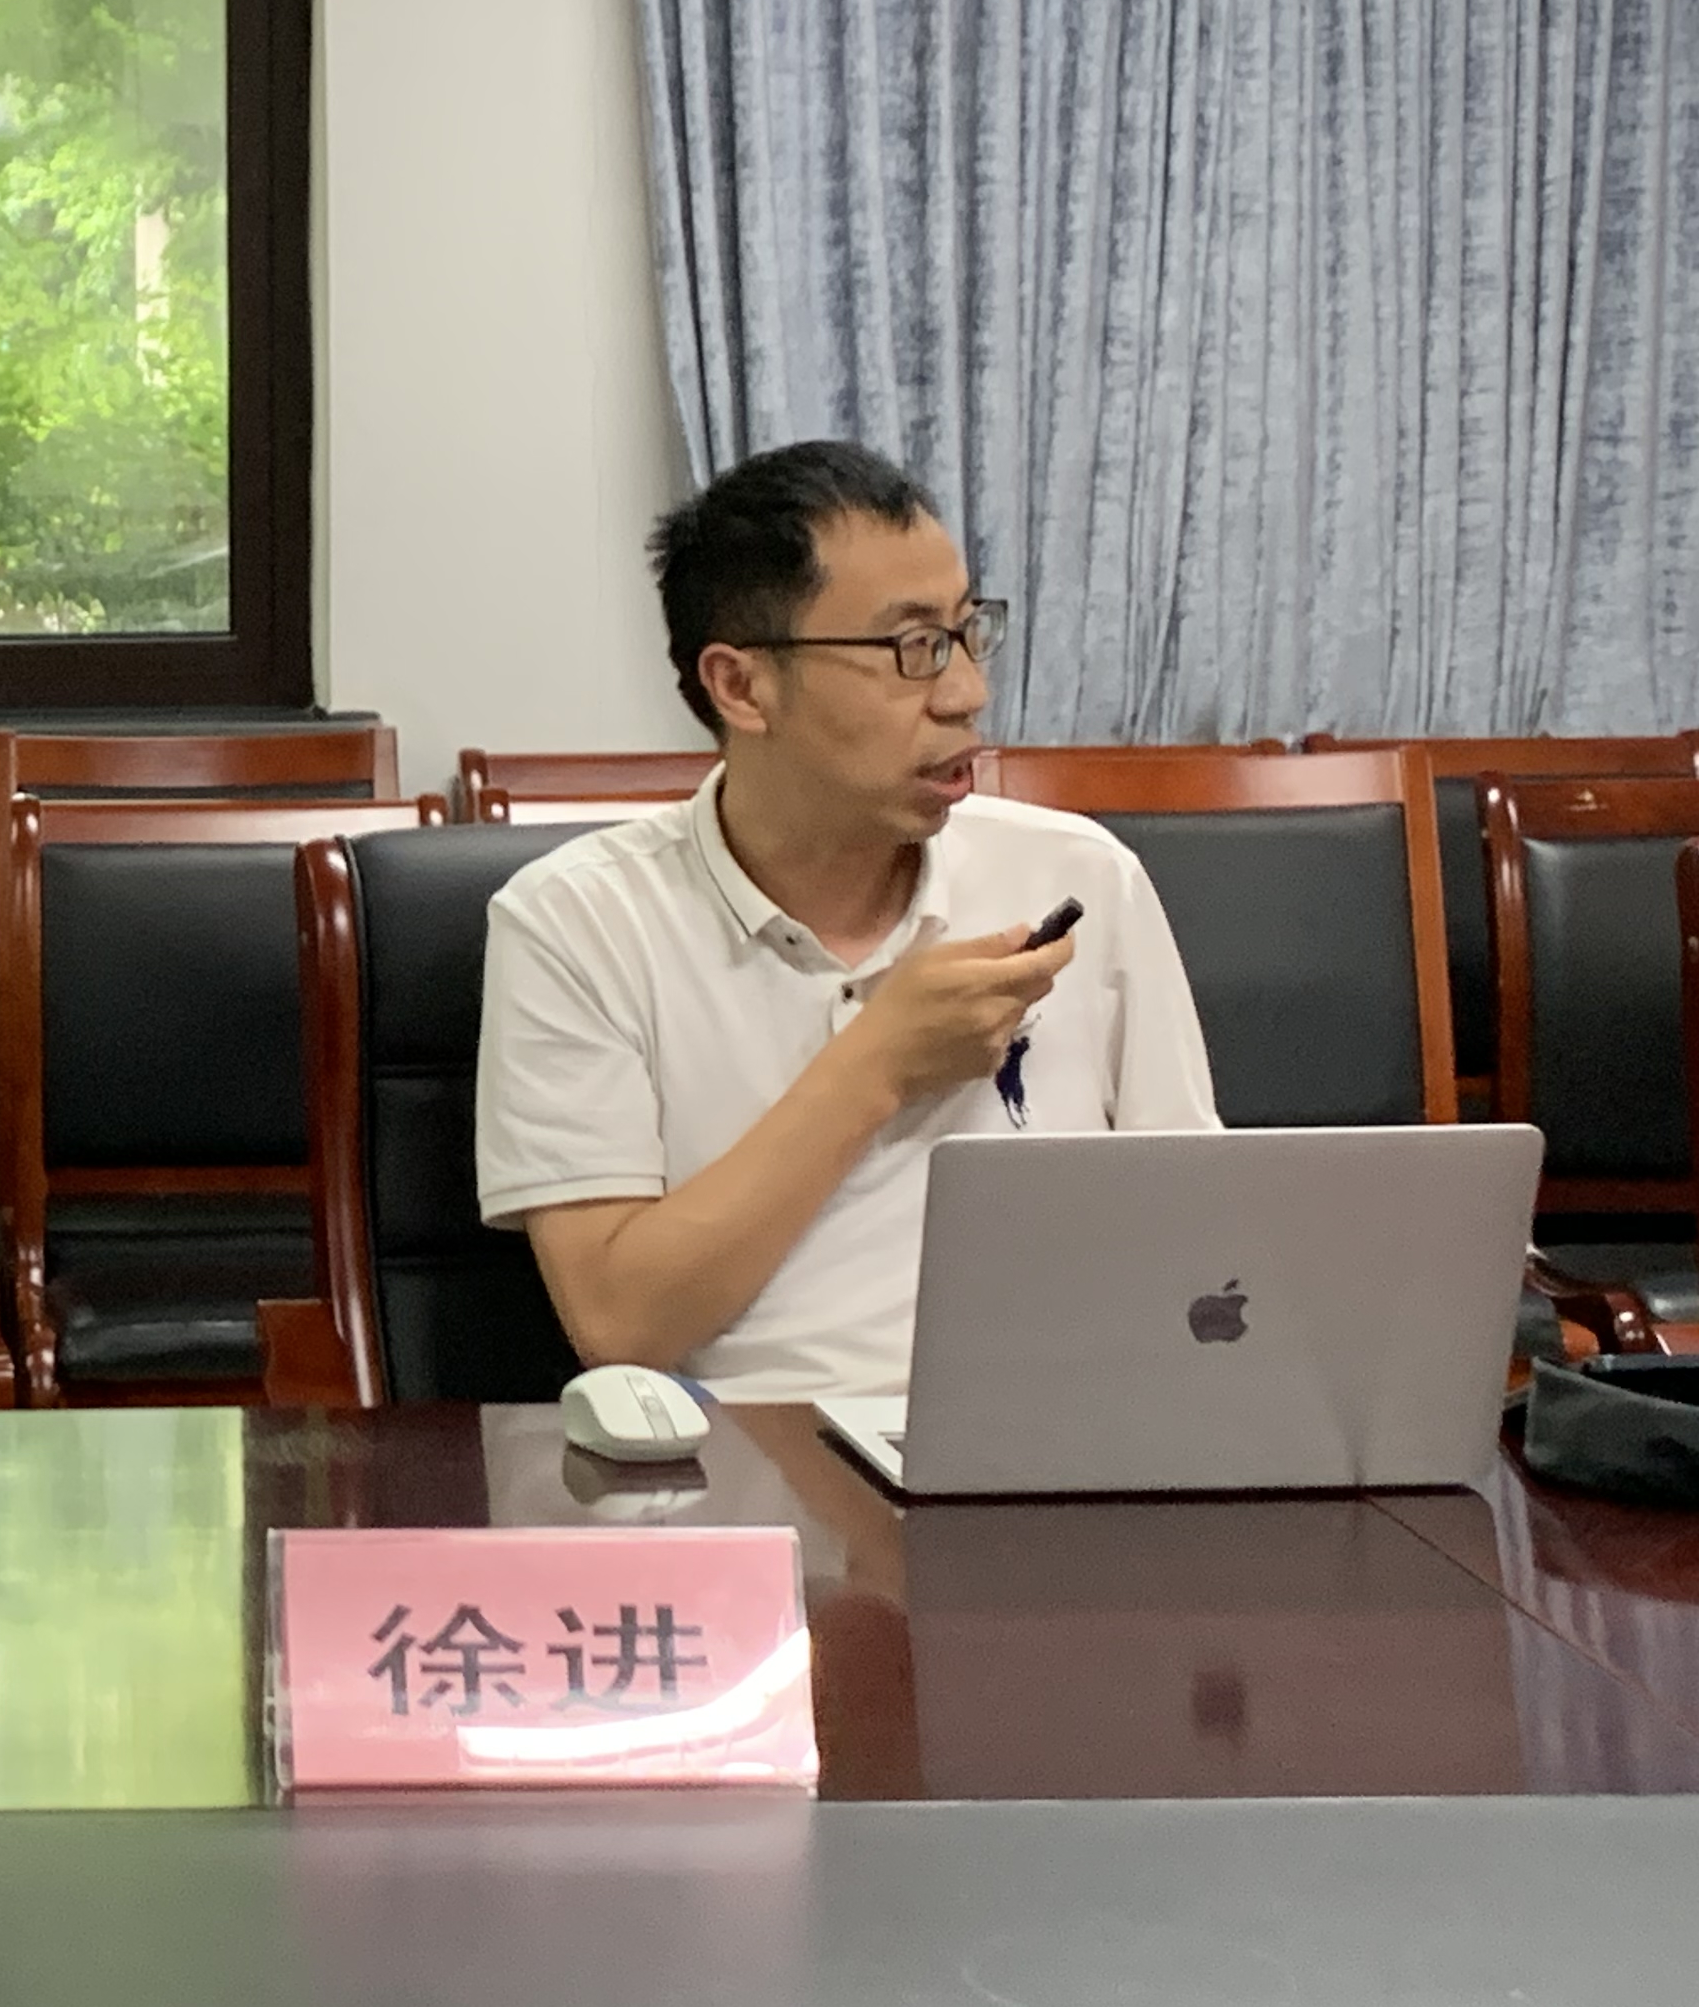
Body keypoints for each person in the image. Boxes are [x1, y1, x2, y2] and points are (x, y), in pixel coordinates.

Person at [476, 441, 1217, 1402]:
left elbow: (1198, 1233)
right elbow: (621, 1323)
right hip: (753, 1453)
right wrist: (879, 1063)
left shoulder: (1080, 875)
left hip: (1063, 1427)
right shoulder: (577, 922)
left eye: (967, 633)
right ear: (741, 686)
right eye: (911, 649)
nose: (967, 693)